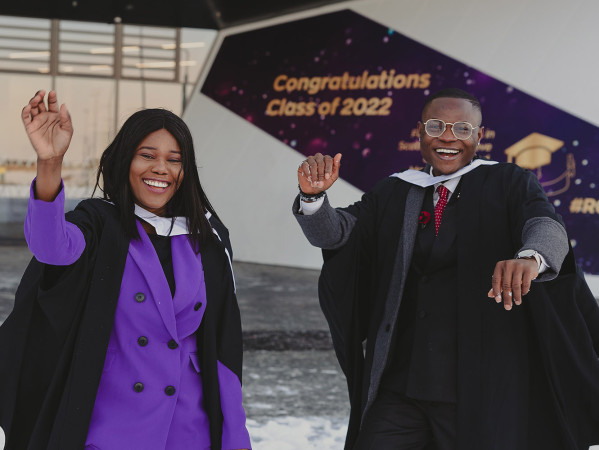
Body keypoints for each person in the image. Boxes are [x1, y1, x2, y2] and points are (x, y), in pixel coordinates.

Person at [293, 88, 599, 450]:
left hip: (478, 387)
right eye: (437, 126)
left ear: (479, 136)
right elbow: (337, 234)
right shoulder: (396, 191)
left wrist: (530, 258)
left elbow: (547, 226)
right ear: (420, 131)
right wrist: (313, 200)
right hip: (402, 385)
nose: (449, 137)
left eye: (462, 128)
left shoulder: (509, 182)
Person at [0, 90, 251, 450]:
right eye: (146, 155)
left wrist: (234, 438)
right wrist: (50, 162)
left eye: (174, 160)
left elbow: (221, 351)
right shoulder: (101, 225)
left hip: (187, 430)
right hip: (112, 428)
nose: (161, 168)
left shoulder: (206, 239)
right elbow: (50, 248)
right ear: (124, 161)